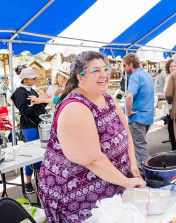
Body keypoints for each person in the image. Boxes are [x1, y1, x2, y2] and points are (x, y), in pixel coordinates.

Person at [38, 51, 145, 222]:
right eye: (96, 71)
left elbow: (127, 135)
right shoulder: (75, 107)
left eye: (106, 69)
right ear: (80, 77)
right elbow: (92, 159)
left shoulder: (109, 98)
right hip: (78, 199)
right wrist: (126, 182)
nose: (104, 75)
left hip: (112, 187)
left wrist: (133, 166)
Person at [10, 68, 47, 194]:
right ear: (26, 79)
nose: (36, 79)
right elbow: (25, 111)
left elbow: (37, 107)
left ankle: (39, 181)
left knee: (39, 154)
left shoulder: (31, 90)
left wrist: (43, 100)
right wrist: (38, 102)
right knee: (32, 155)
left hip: (37, 125)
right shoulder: (20, 92)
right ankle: (28, 182)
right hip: (29, 126)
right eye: (34, 78)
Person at [124, 53, 154, 168]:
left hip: (138, 118)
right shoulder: (147, 75)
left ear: (131, 65)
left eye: (125, 66)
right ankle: (141, 171)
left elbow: (129, 96)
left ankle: (146, 173)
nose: (124, 69)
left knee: (140, 149)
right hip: (147, 117)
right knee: (139, 147)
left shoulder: (135, 76)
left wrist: (128, 112)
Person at [163, 59, 176, 150]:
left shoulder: (174, 77)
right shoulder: (168, 77)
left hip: (174, 108)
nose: (173, 68)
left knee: (173, 131)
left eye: (174, 66)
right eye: (171, 66)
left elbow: (169, 94)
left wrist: (166, 96)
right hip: (170, 108)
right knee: (172, 130)